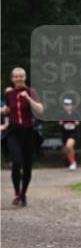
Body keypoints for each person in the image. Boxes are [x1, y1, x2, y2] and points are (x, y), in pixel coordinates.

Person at [1, 67, 44, 206]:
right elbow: (7, 109)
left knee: (27, 165)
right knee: (16, 161)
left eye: (21, 76)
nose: (18, 78)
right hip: (13, 131)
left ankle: (23, 193)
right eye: (16, 76)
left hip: (28, 132)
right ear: (12, 78)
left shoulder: (32, 92)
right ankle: (17, 193)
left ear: (25, 77)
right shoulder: (9, 93)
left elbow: (40, 110)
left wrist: (28, 98)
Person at [59, 96, 80, 170]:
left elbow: (78, 123)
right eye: (66, 105)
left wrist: (75, 123)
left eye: (69, 105)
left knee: (69, 146)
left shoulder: (76, 113)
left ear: (72, 106)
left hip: (73, 134)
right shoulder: (61, 114)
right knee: (68, 149)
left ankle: (73, 162)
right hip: (65, 134)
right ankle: (72, 162)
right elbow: (60, 124)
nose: (67, 107)